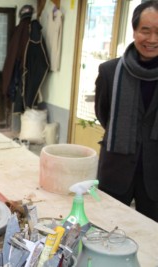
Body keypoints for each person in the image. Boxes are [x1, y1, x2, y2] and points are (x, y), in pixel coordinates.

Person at [95, 0, 158, 222]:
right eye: (146, 31)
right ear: (134, 31)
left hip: (155, 175)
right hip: (116, 169)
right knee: (106, 227)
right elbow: (104, 115)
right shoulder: (109, 71)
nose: (152, 39)